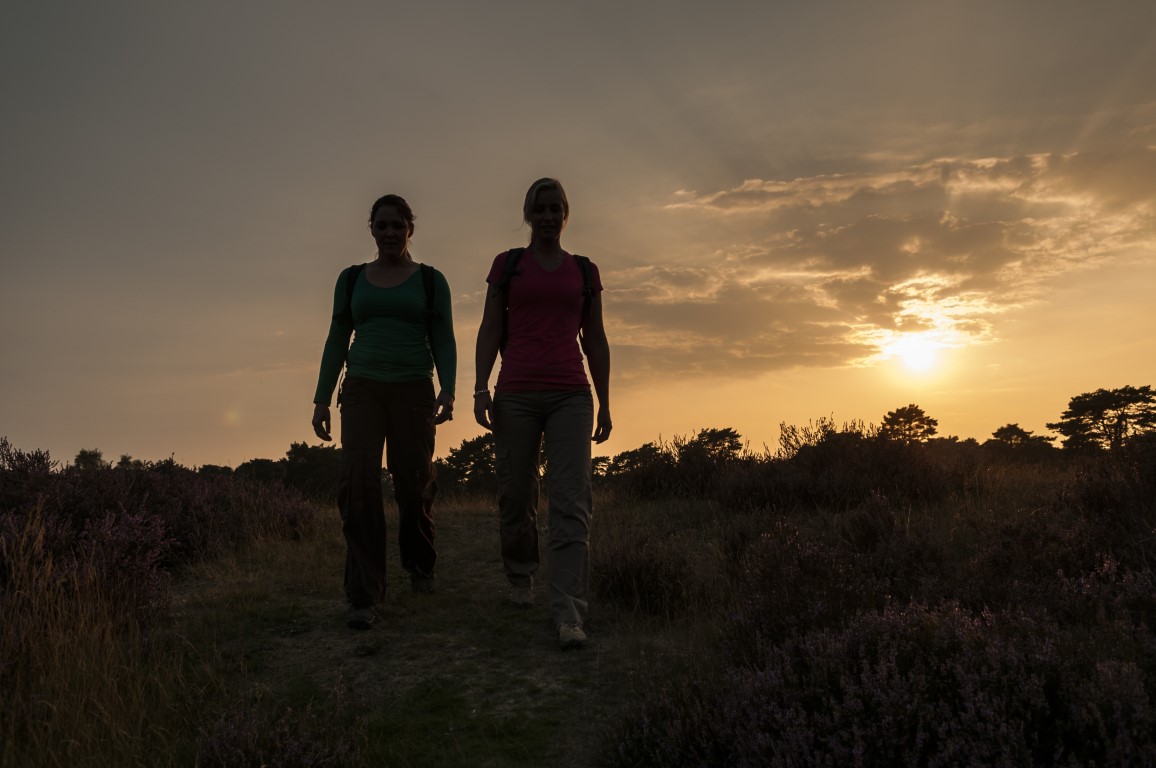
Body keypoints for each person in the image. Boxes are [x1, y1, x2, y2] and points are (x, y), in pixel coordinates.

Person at [473, 178, 612, 650]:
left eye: (556, 209)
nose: (548, 217)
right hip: (515, 392)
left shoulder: (583, 271)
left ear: (566, 214)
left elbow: (594, 338)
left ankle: (569, 613)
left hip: (571, 394)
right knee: (516, 493)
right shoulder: (508, 265)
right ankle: (520, 576)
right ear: (528, 214)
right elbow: (491, 327)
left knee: (571, 501)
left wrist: (606, 401)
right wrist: (479, 388)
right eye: (540, 209)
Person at [311, 194, 456, 630]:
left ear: (410, 229)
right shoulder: (352, 279)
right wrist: (321, 398)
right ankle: (364, 594)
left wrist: (448, 389)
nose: (390, 233)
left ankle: (419, 561)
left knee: (413, 482)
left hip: (413, 388)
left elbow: (444, 338)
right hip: (361, 389)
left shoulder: (430, 281)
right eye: (382, 225)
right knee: (358, 484)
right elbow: (337, 338)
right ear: (371, 230)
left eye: (398, 225)